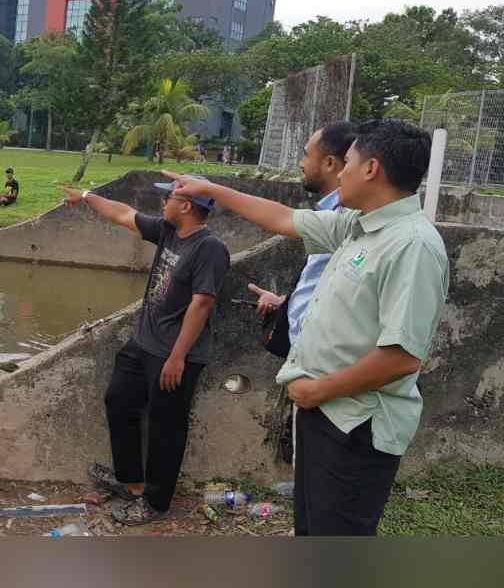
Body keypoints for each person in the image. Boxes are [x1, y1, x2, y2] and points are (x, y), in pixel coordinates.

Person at [166, 119, 450, 536]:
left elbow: (403, 356)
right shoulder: (359, 225)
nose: (341, 172)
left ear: (371, 169)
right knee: (313, 528)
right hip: (325, 410)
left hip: (356, 424)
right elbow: (285, 219)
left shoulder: (412, 245)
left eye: (348, 162)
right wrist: (212, 190)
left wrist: (317, 390)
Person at [62, 177, 230, 525]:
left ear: (185, 206)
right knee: (118, 400)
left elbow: (202, 303)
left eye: (167, 198)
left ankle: (156, 502)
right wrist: (88, 197)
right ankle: (133, 483)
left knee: (166, 428)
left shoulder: (209, 248)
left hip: (175, 353)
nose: (162, 203)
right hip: (143, 343)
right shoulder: (169, 231)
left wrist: (178, 356)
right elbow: (125, 215)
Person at [247, 122, 358, 342]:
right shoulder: (332, 211)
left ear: (329, 163)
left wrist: (210, 189)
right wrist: (287, 302)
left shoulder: (348, 218)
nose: (301, 163)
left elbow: (281, 219)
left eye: (306, 155)